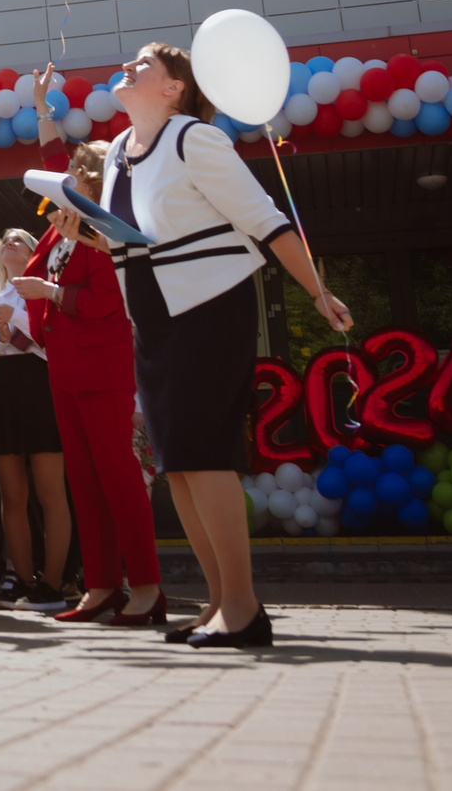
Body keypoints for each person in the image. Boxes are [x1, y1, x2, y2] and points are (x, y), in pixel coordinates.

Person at [102, 41, 350, 648]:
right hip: (155, 321)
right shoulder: (115, 152)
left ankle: (243, 607)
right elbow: (139, 241)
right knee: (178, 465)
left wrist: (317, 292)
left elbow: (264, 220)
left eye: (145, 65)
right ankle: (217, 604)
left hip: (209, 312)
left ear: (174, 88)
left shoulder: (195, 138)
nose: (128, 68)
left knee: (205, 455)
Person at [15, 97, 161, 627]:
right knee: (83, 480)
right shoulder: (63, 221)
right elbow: (54, 161)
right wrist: (41, 110)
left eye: (85, 170)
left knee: (118, 477)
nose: (72, 175)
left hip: (104, 366)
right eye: (72, 170)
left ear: (104, 180)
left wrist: (50, 293)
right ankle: (100, 586)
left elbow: (106, 300)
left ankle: (146, 587)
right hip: (64, 366)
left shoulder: (110, 227)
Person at [0, 224, 70, 609]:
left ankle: (54, 582)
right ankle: (23, 578)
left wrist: (14, 317)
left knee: (51, 492)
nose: (10, 244)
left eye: (20, 240)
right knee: (11, 495)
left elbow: (50, 344)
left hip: (41, 385)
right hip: (4, 389)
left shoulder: (42, 288)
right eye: (6, 241)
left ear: (34, 251)